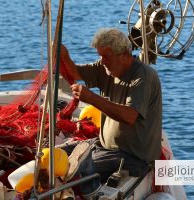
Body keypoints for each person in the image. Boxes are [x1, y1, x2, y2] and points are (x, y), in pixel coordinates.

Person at [59, 28, 162, 198]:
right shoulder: (106, 68)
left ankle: (90, 193)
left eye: (106, 56)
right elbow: (74, 73)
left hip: (133, 156)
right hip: (105, 147)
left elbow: (129, 116)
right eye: (100, 56)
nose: (102, 61)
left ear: (123, 54)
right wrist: (63, 55)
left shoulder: (143, 76)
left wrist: (91, 98)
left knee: (73, 169)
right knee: (58, 154)